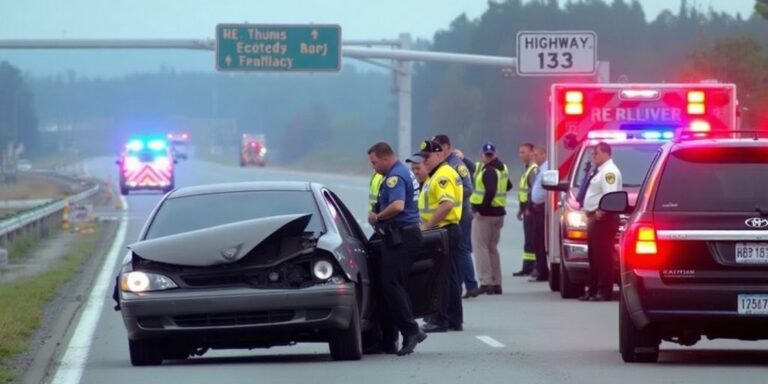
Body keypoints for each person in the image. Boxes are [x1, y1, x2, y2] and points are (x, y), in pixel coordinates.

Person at [367, 142, 428, 355]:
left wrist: (377, 217)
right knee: (391, 285)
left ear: (385, 158)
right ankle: (389, 339)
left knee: (390, 283)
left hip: (402, 235)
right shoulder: (401, 171)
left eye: (374, 162)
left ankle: (411, 331)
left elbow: (397, 205)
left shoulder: (395, 177)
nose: (373, 167)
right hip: (402, 234)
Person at [416, 140, 464, 333]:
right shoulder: (438, 173)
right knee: (450, 276)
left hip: (443, 229)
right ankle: (454, 318)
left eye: (427, 157)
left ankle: (440, 319)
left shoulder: (443, 175)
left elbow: (446, 205)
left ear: (439, 155)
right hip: (446, 230)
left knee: (439, 276)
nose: (424, 160)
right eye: (423, 157)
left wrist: (427, 225)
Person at [432, 134, 481, 299]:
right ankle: (459, 286)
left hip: (461, 213)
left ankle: (471, 285)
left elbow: (468, 188)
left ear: (446, 147)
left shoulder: (456, 164)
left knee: (462, 249)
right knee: (455, 252)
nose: (435, 150)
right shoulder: (443, 164)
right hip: (454, 213)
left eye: (437, 147)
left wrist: (450, 194)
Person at [577, 142, 622, 302]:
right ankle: (593, 289)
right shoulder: (599, 171)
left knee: (603, 257)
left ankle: (604, 292)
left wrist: (599, 214)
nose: (593, 156)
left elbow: (611, 197)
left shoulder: (609, 172)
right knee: (594, 256)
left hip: (603, 220)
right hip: (594, 219)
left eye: (595, 153)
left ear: (605, 153)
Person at [469, 142, 512, 294]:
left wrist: (481, 209)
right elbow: (508, 186)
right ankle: (496, 282)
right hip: (498, 213)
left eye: (489, 155)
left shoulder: (488, 171)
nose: (487, 157)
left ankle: (486, 282)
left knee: (481, 248)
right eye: (487, 154)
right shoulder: (502, 168)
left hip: (486, 215)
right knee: (492, 248)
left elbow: (490, 191)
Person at [513, 143, 538, 277]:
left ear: (531, 153)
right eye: (520, 152)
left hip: (531, 211)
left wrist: (528, 208)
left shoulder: (533, 170)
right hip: (526, 210)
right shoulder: (527, 169)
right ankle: (527, 267)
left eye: (523, 152)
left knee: (533, 240)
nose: (521, 155)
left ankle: (534, 267)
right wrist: (520, 209)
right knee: (528, 240)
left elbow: (534, 191)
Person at [528, 146, 549, 282]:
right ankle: (541, 270)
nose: (534, 158)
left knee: (539, 242)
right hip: (537, 208)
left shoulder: (546, 170)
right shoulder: (540, 169)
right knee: (536, 241)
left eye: (536, 155)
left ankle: (543, 272)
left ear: (544, 154)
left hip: (542, 209)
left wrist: (538, 203)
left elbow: (546, 192)